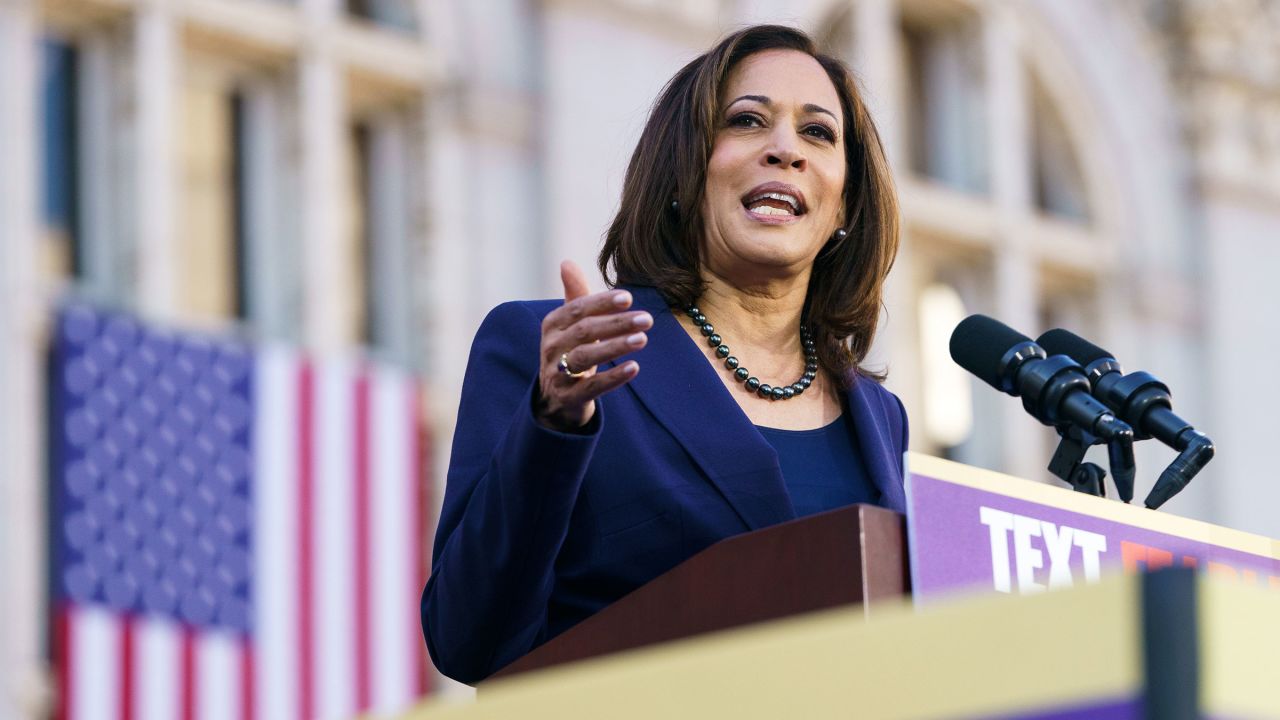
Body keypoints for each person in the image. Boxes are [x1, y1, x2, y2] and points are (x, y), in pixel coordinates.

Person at [421, 24, 906, 685]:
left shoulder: (881, 418)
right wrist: (554, 426)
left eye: (818, 133)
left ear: (845, 201)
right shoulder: (557, 356)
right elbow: (466, 637)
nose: (785, 149)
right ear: (685, 170)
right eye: (747, 120)